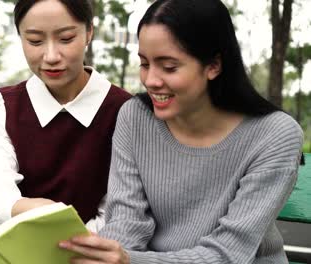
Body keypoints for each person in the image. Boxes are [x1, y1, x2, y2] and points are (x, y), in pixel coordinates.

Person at [59, 0, 304, 263]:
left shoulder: (275, 135)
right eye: (144, 64)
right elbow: (127, 223)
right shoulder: (135, 117)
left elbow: (228, 253)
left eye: (169, 67)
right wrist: (104, 256)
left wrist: (130, 261)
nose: (151, 80)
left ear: (214, 65)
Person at [0, 0, 131, 263]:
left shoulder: (124, 111)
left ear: (89, 32)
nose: (51, 56)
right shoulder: (4, 105)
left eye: (66, 38)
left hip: (83, 250)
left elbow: (116, 212)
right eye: (34, 41)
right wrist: (33, 208)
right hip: (5, 242)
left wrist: (63, 244)